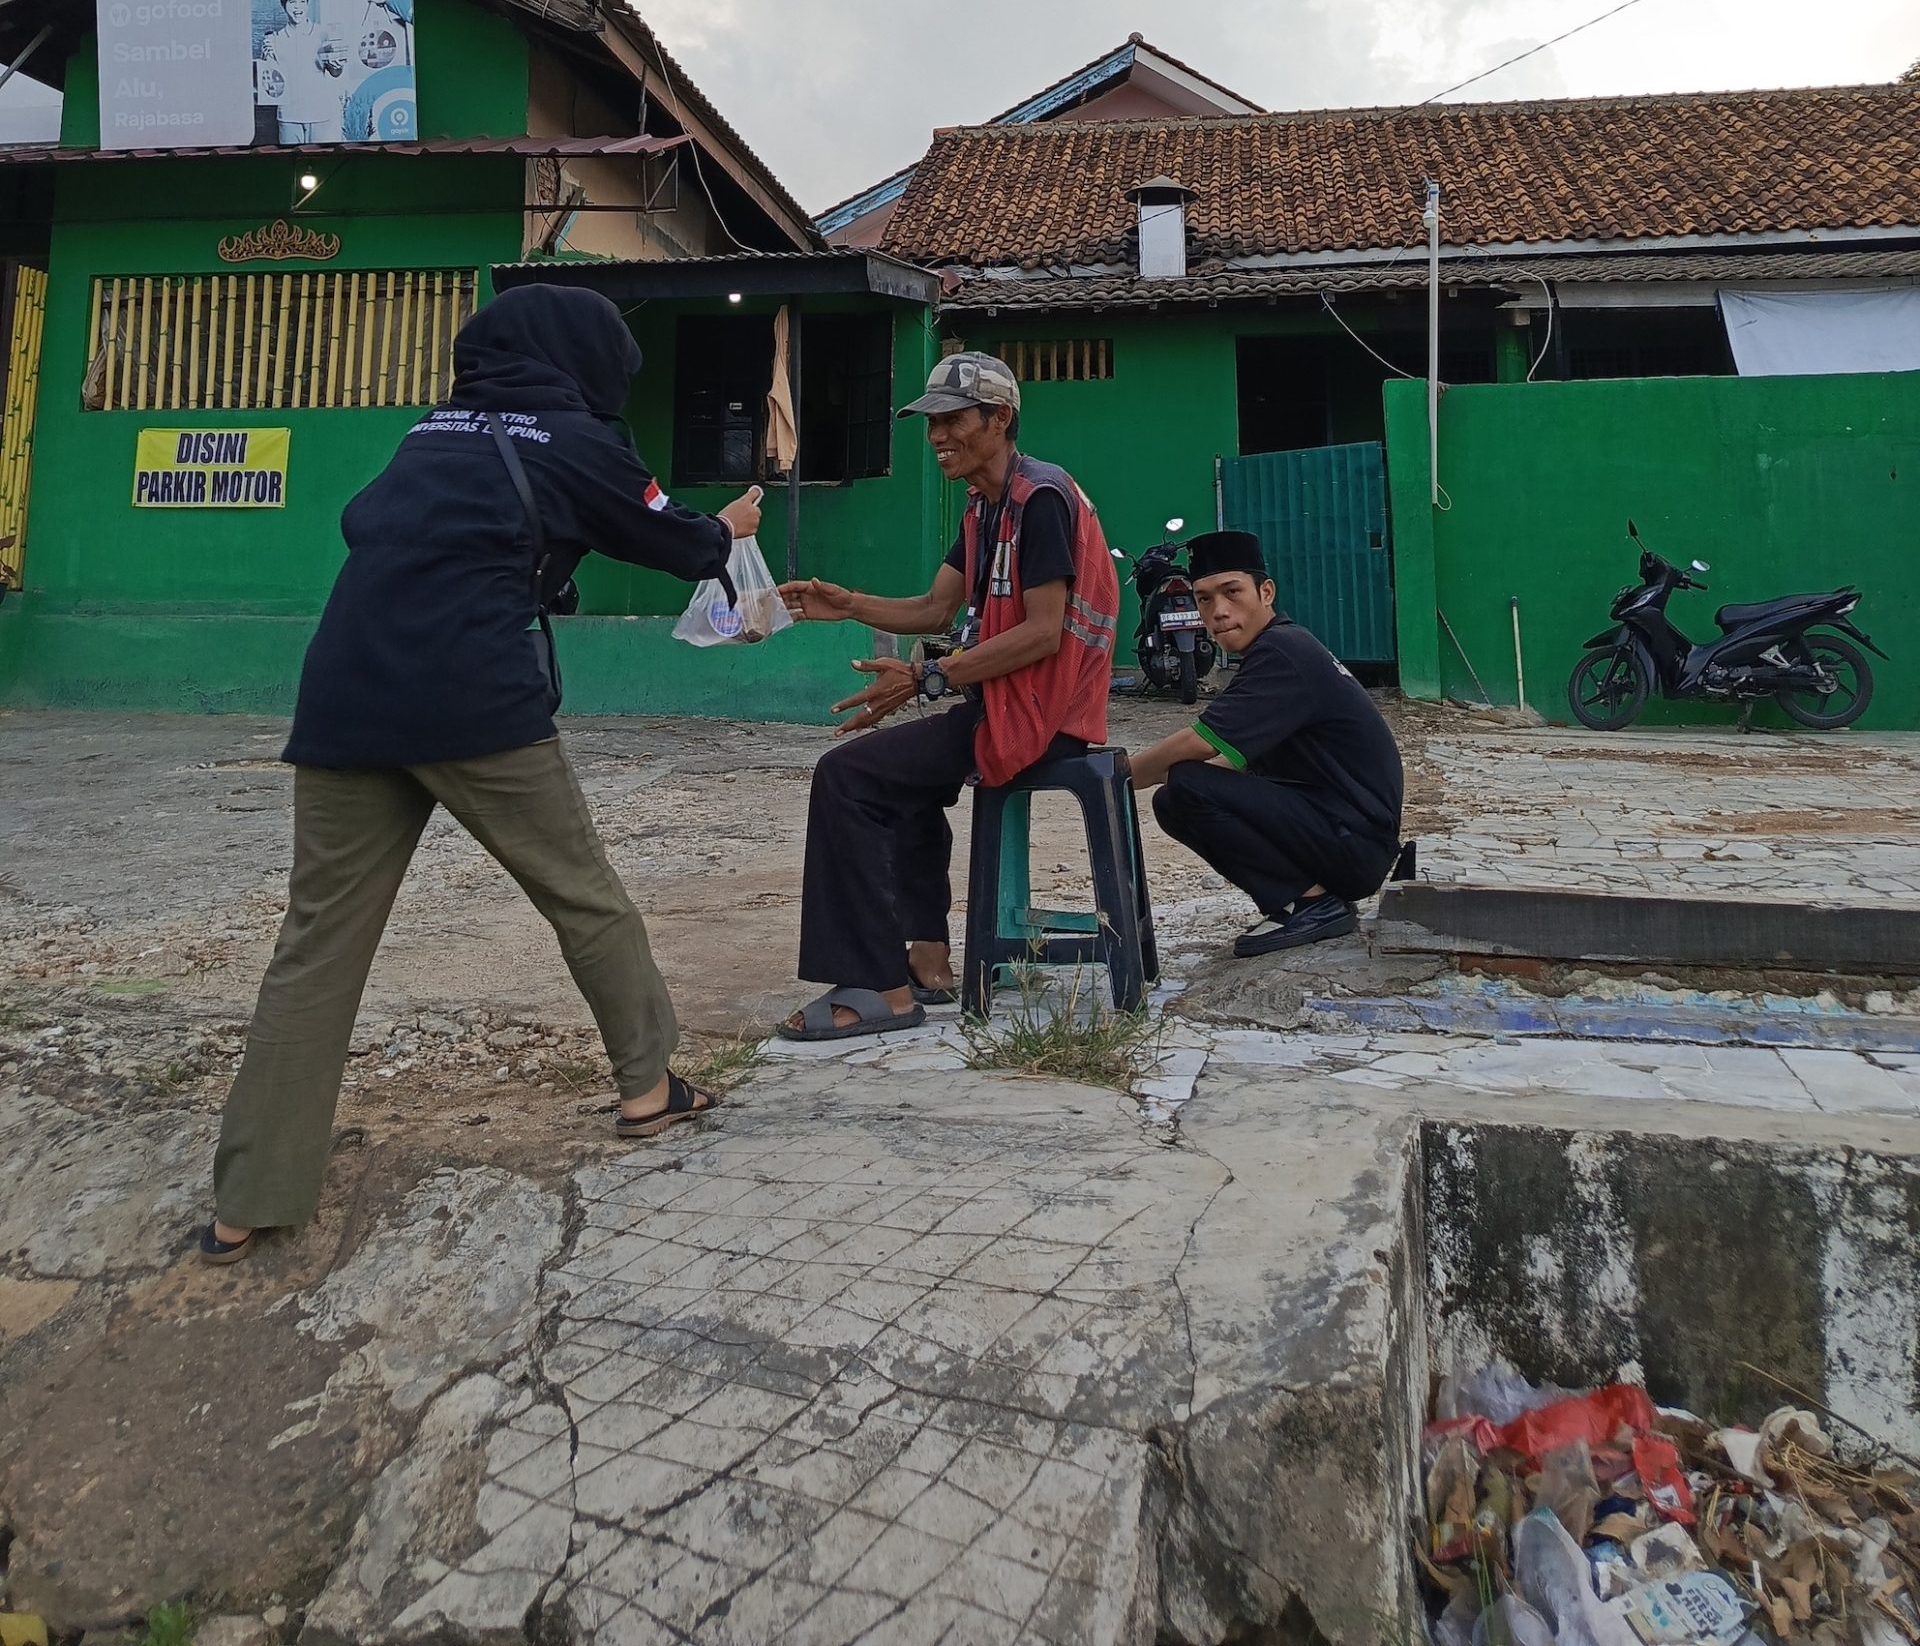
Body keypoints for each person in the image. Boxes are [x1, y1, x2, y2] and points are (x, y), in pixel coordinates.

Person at [199, 284, 759, 1264]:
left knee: (315, 945)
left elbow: (367, 523)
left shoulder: (429, 431)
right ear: (581, 360)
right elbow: (679, 541)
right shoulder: (576, 440)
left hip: (343, 696)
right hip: (472, 699)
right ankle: (648, 1087)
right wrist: (732, 525)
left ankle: (246, 1201)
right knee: (583, 895)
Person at [775, 351, 1118, 1040]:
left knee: (846, 777)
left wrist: (929, 677)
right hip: (1010, 706)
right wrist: (849, 605)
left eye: (953, 420)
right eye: (931, 423)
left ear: (1000, 418)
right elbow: (935, 608)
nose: (937, 437)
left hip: (1044, 715)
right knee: (897, 781)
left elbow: (1042, 633)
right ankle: (927, 960)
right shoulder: (985, 506)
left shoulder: (1040, 499)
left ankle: (880, 986)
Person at [1129, 529, 1408, 956]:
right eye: (1204, 599)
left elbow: (1199, 744)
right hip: (1346, 836)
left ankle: (1312, 905)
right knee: (1175, 797)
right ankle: (1304, 898)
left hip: (1354, 842)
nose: (1219, 611)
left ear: (1266, 592)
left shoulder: (1282, 652)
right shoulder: (1280, 647)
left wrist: (1116, 775)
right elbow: (1232, 762)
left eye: (1232, 592)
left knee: (1185, 784)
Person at [260, 0, 347, 145]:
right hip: (289, 116)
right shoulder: (275, 39)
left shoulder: (323, 33)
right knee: (290, 158)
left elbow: (335, 73)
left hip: (320, 114)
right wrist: (265, 58)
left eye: (302, 1)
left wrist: (338, 65)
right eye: (292, 2)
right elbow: (270, 82)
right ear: (284, 6)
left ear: (307, 5)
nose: (297, 7)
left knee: (321, 157)